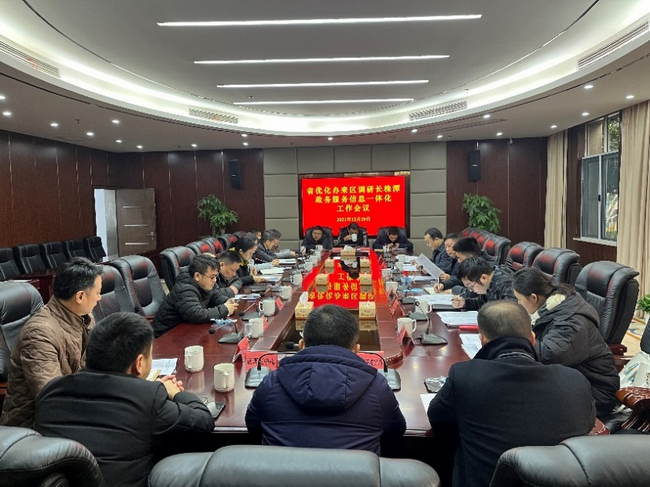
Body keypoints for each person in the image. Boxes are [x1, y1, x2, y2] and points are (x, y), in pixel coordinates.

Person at [34, 313, 214, 487]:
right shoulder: (147, 398)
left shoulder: (50, 391)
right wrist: (175, 393)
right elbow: (203, 421)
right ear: (139, 363)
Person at [427, 301, 595, 487]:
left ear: (482, 340)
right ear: (532, 338)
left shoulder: (464, 376)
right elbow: (587, 425)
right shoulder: (575, 380)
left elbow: (438, 420)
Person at [245, 304, 406, 454]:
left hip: (283, 474)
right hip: (358, 473)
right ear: (356, 350)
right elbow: (395, 434)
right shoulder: (377, 389)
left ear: (301, 345)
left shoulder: (271, 384)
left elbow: (254, 430)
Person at [1, 257, 103, 428]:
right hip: (34, 424)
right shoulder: (39, 333)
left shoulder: (84, 317)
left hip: (74, 409)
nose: (99, 298)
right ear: (80, 296)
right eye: (98, 292)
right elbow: (52, 396)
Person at [512, 267, 619, 415]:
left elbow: (549, 356)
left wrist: (513, 335)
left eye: (519, 299)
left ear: (534, 297)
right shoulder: (550, 309)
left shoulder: (571, 320)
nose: (518, 304)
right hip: (568, 382)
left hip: (594, 392)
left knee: (516, 403)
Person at [153, 254, 238, 338]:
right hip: (167, 335)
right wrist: (225, 309)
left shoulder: (205, 284)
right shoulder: (184, 289)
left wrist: (228, 302)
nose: (215, 280)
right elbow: (196, 315)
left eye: (216, 276)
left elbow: (216, 297)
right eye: (212, 277)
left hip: (186, 329)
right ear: (197, 276)